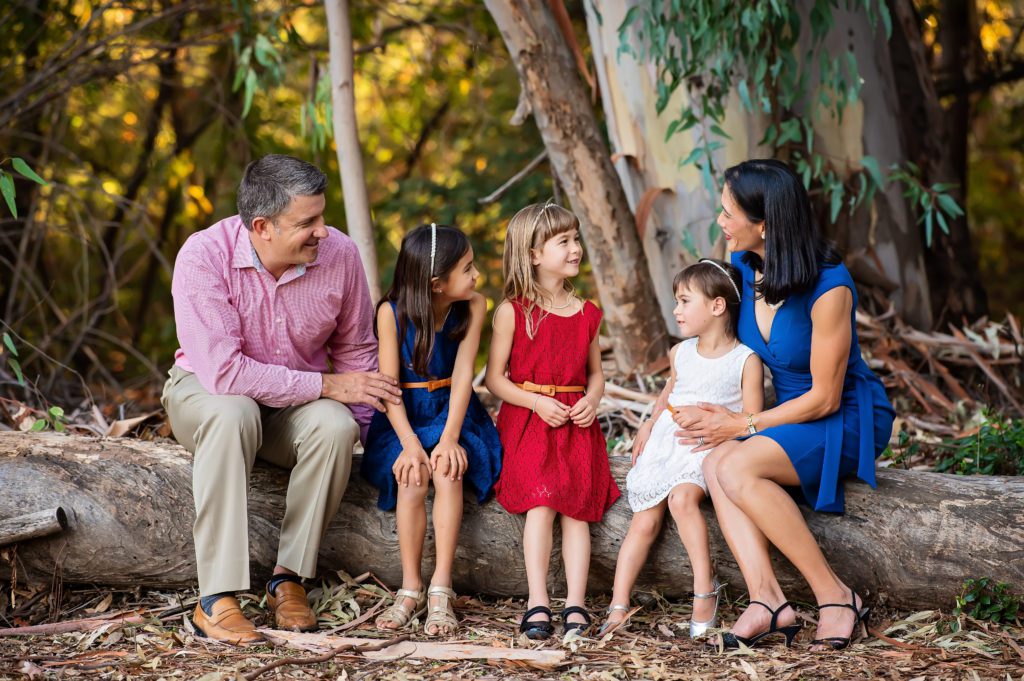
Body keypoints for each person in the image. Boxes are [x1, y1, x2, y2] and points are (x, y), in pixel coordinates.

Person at [162, 154, 402, 645]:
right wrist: (327, 386)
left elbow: (356, 353)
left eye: (322, 216)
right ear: (262, 227)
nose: (322, 231)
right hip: (206, 393)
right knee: (234, 412)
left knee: (334, 426)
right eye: (306, 223)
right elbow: (225, 373)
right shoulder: (203, 256)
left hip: (291, 407)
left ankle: (288, 579)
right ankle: (216, 598)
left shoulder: (340, 254)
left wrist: (372, 438)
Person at [677, 159, 895, 650]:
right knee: (714, 463)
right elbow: (712, 342)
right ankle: (768, 601)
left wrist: (745, 423)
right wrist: (669, 408)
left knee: (735, 467)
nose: (720, 220)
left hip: (841, 416)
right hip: (786, 413)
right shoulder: (742, 265)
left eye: (728, 212)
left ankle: (836, 596)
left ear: (765, 224)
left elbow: (825, 397)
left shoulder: (830, 285)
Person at [601, 260, 763, 639]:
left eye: (685, 301)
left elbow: (751, 419)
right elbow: (668, 395)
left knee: (681, 499)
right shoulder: (681, 352)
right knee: (644, 521)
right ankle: (618, 604)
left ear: (717, 306)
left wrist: (722, 429)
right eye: (677, 301)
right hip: (668, 444)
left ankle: (704, 588)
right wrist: (648, 423)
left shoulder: (745, 360)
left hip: (707, 447)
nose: (676, 310)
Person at [485, 202, 620, 640]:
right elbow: (494, 379)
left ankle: (576, 603)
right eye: (563, 241)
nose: (575, 248)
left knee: (577, 511)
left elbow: (595, 375)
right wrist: (535, 402)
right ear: (533, 254)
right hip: (529, 423)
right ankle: (537, 600)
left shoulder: (586, 313)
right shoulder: (513, 312)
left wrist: (592, 400)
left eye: (575, 239)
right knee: (542, 503)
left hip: (576, 424)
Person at [360, 223, 501, 637]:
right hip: (402, 416)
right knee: (412, 474)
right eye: (468, 268)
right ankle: (410, 588)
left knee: (447, 469)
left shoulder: (473, 306)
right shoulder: (390, 313)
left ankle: (441, 587)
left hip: (453, 411)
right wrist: (409, 444)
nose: (477, 275)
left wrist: (451, 437)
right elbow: (390, 389)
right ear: (437, 283)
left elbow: (464, 377)